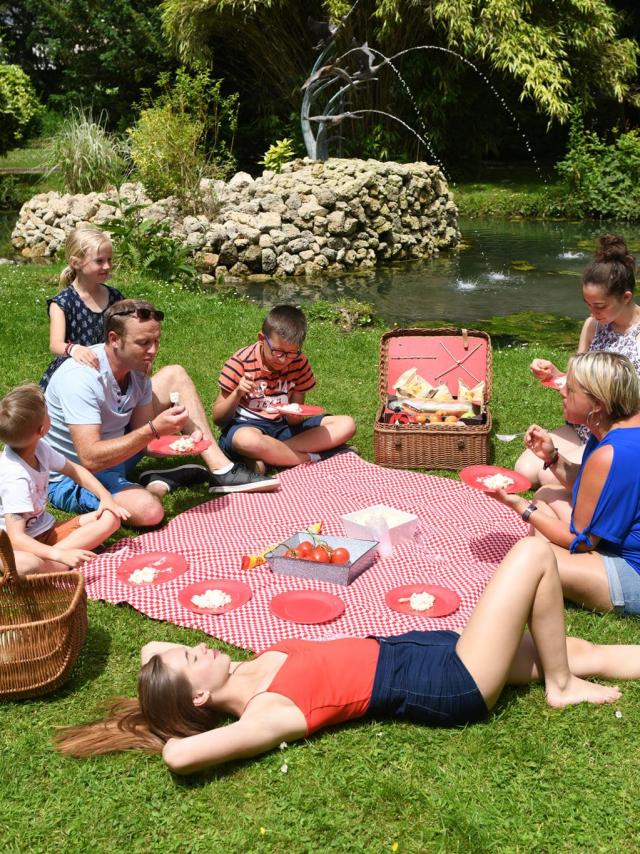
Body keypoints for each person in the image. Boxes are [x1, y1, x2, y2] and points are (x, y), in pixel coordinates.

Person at [55, 538, 638, 774]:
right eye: (194, 655)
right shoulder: (268, 711)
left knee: (579, 646)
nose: (200, 643)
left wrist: (164, 684)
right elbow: (180, 758)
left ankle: (567, 670)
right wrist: (170, 726)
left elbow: (154, 649)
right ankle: (560, 688)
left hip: (423, 649)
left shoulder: (248, 666)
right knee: (534, 553)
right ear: (202, 696)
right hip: (449, 680)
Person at [43, 298, 278, 529]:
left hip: (115, 453)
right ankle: (158, 484)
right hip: (74, 476)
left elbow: (144, 438)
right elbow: (90, 458)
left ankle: (222, 470)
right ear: (114, 339)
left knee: (175, 374)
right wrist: (154, 430)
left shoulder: (137, 369)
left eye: (156, 341)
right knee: (150, 512)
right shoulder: (81, 379)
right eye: (144, 342)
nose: (153, 351)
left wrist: (180, 442)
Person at [490, 351, 640, 617]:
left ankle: (546, 582)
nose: (561, 393)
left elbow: (582, 541)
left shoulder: (611, 453)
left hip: (632, 572)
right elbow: (593, 486)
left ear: (597, 403)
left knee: (530, 557)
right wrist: (552, 457)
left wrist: (521, 506)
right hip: (617, 542)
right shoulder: (615, 424)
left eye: (570, 390)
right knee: (547, 492)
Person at [516, 234, 640, 487]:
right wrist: (553, 375)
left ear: (626, 297)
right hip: (584, 425)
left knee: (548, 476)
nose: (592, 312)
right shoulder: (593, 325)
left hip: (617, 434)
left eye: (600, 305)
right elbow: (580, 381)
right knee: (524, 469)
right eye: (588, 304)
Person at [0, 384, 129, 575]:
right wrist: (58, 554)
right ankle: (54, 565)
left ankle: (52, 567)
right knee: (29, 564)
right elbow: (16, 537)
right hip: (14, 545)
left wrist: (105, 498)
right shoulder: (16, 478)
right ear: (43, 429)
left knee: (110, 517)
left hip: (45, 532)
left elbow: (75, 470)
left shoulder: (40, 448)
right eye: (48, 413)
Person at [213, 305, 356, 470]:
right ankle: (319, 457)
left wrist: (293, 412)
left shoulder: (299, 362)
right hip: (246, 427)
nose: (283, 360)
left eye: (291, 353)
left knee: (346, 424)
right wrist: (238, 392)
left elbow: (295, 420)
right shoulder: (240, 362)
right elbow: (218, 418)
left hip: (283, 430)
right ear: (261, 339)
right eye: (278, 351)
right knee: (246, 440)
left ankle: (269, 456)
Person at [40, 225, 124, 391]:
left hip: (108, 370)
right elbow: (55, 345)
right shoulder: (63, 303)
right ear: (75, 263)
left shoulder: (115, 297)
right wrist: (75, 349)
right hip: (73, 371)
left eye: (109, 260)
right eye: (99, 261)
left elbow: (128, 331)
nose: (107, 266)